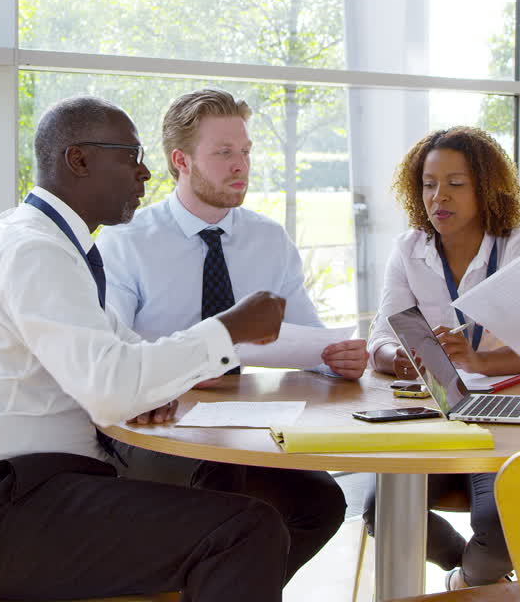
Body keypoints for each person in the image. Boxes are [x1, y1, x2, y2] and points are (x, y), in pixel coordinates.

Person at [0, 96, 293, 602]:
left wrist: (146, 387)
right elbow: (111, 388)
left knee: (291, 505)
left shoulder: (53, 240)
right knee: (247, 528)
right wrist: (229, 328)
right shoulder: (37, 250)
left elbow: (119, 353)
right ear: (78, 160)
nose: (145, 173)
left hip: (34, 490)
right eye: (131, 155)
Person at [96, 88, 363, 580]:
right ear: (182, 160)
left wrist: (335, 356)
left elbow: (308, 337)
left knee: (322, 503)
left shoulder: (268, 240)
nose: (240, 165)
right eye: (223, 153)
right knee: (230, 491)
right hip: (155, 427)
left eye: (245, 152)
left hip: (243, 422)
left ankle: (217, 589)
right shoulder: (125, 242)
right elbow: (112, 350)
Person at [363, 126, 520, 590]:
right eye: (428, 183)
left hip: (500, 420)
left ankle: (471, 580)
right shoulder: (408, 250)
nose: (439, 196)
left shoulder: (519, 248)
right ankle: (473, 576)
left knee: (500, 530)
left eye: (456, 184)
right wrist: (402, 358)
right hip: (435, 413)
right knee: (381, 511)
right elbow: (380, 338)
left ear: (486, 188)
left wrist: (478, 361)